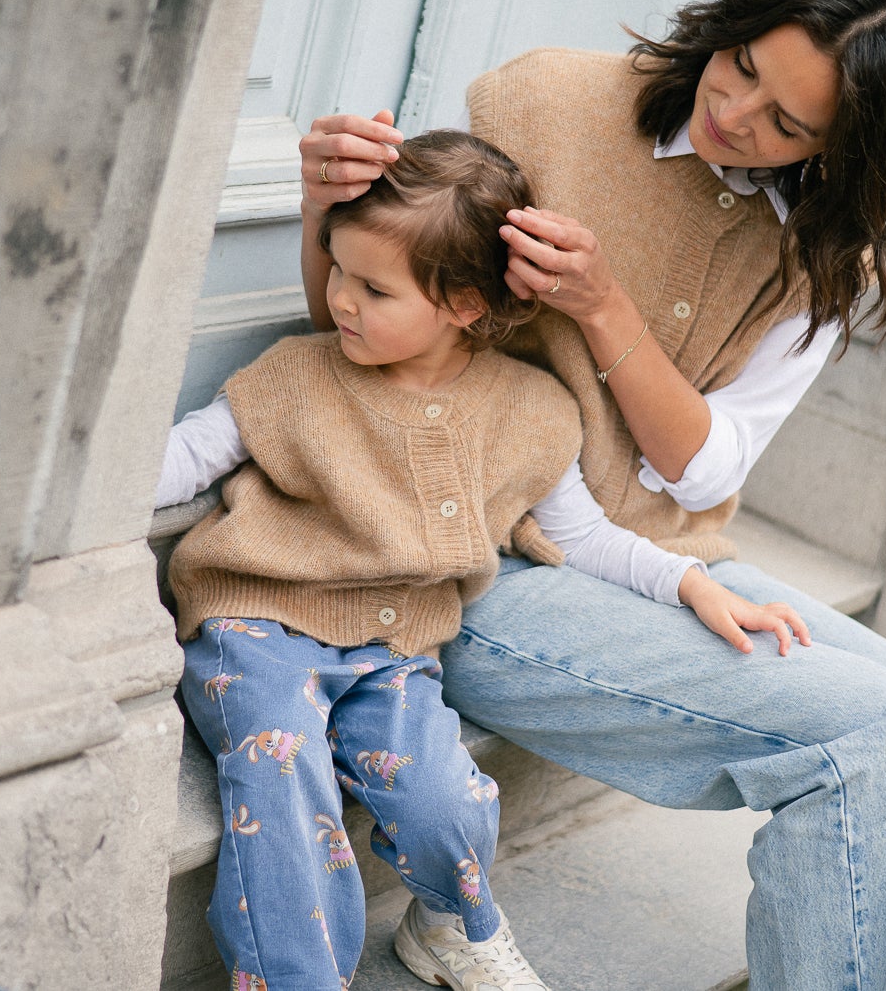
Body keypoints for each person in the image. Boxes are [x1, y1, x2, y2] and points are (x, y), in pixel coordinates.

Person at [297, 0, 886, 990]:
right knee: (864, 731)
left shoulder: (818, 245)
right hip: (483, 561)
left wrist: (601, 303)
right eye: (745, 67)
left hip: (656, 556)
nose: (737, 115)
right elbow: (364, 324)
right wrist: (321, 201)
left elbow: (704, 471)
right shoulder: (541, 107)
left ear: (844, 150)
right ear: (736, 18)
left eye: (787, 125)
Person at [157, 130, 810, 991]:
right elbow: (188, 454)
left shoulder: (531, 410)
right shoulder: (296, 373)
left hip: (395, 653)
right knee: (279, 767)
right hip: (259, 624)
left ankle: (453, 926)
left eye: (374, 287)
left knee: (445, 805)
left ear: (465, 304)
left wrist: (690, 582)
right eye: (337, 268)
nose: (340, 299)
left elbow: (581, 537)